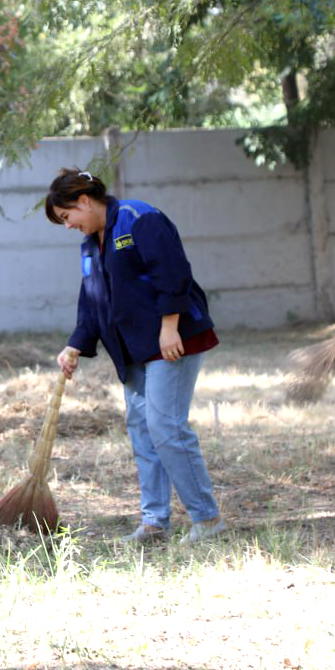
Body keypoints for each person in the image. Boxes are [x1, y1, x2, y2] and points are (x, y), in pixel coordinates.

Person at [46, 168, 225, 544]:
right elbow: (92, 299)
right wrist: (76, 343)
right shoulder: (89, 245)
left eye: (67, 217)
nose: (68, 226)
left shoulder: (139, 218)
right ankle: (155, 522)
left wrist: (169, 325)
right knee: (143, 432)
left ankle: (207, 520)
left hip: (172, 339)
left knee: (165, 428)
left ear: (83, 201)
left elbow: (173, 273)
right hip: (133, 349)